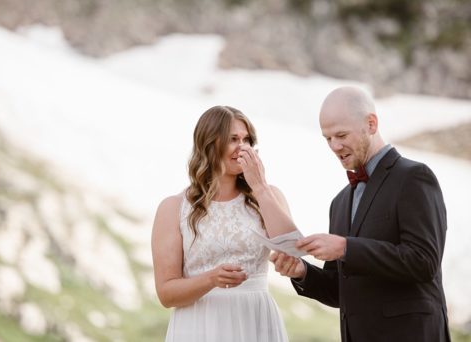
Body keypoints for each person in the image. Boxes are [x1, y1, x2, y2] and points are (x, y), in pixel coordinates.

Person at [270, 86, 450, 341]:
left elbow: (424, 261)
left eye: (341, 134)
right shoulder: (340, 202)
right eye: (327, 138)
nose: (334, 145)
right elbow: (337, 290)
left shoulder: (414, 177)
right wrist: (301, 271)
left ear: (371, 123)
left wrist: (346, 247)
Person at [151, 106, 299, 341]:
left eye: (247, 139)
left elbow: (293, 251)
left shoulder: (268, 196)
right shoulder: (172, 208)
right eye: (233, 139)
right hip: (199, 325)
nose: (242, 147)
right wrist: (211, 279)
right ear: (210, 144)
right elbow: (167, 294)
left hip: (256, 322)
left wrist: (260, 187)